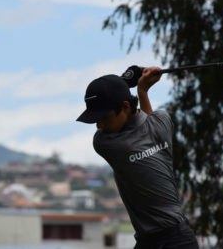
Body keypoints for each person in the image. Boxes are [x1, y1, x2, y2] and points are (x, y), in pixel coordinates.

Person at [76, 67, 199, 249]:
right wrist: (141, 89)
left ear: (125, 106)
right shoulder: (162, 122)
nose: (99, 125)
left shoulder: (107, 143)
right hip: (151, 240)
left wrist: (127, 82)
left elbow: (142, 128)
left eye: (103, 117)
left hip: (176, 241)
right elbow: (146, 123)